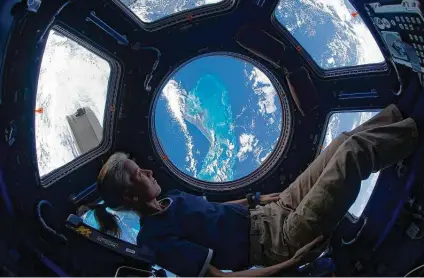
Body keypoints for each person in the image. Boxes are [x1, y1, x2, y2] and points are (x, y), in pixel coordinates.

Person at [79, 80, 424, 277]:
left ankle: (407, 115)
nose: (150, 171)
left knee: (341, 142)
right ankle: (417, 133)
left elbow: (214, 209)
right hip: (280, 241)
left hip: (275, 209)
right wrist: (292, 263)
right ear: (130, 198)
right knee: (354, 154)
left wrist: (257, 199)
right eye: (139, 174)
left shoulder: (174, 199)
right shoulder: (155, 240)